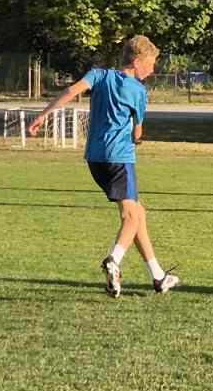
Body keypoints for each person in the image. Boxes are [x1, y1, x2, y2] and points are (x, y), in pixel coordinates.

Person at [30, 36, 178, 298]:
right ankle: (114, 260)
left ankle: (158, 276)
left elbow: (71, 91)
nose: (153, 68)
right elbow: (137, 130)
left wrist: (43, 115)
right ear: (137, 62)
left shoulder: (99, 75)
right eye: (151, 62)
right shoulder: (138, 90)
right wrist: (137, 138)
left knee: (138, 213)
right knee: (130, 217)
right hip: (119, 157)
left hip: (94, 159)